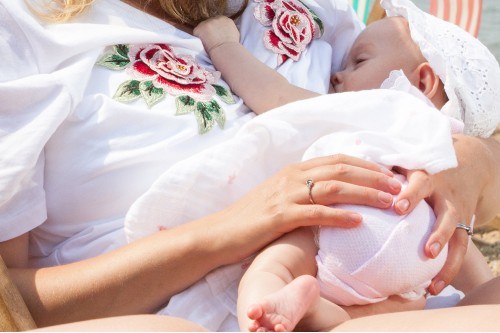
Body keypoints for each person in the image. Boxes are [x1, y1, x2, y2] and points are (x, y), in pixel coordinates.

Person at [0, 0, 499, 330]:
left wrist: (472, 161)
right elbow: (15, 305)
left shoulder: (314, 9)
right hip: (221, 312)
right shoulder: (24, 29)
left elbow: (399, 102)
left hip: (388, 283)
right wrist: (228, 229)